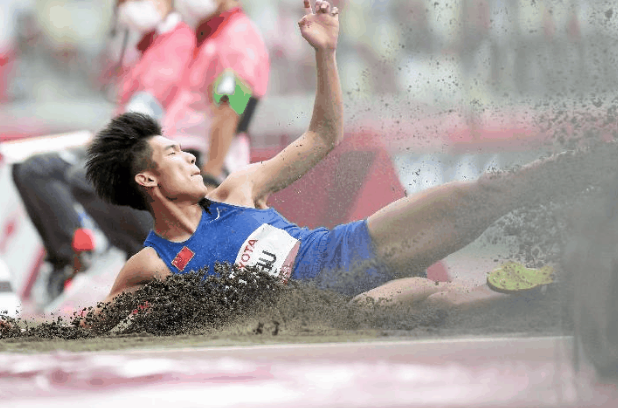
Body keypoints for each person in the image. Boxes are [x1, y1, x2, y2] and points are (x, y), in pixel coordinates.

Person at [85, 0, 618, 321]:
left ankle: (593, 168)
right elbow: (89, 324)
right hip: (327, 312)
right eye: (174, 152)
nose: (188, 156)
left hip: (349, 248)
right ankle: (569, 294)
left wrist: (325, 52)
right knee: (432, 301)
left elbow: (312, 130)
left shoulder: (233, 51)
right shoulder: (151, 265)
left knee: (486, 191)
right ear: (147, 177)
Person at [12, 0, 194, 303]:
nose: (124, 9)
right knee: (31, 170)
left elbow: (146, 110)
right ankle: (71, 258)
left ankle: (150, 257)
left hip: (154, 153)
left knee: (85, 176)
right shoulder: (145, 47)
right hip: (127, 144)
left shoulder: (178, 40)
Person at [163, 0, 270, 187]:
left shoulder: (238, 35)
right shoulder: (212, 32)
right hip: (189, 160)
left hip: (205, 164)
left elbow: (230, 109)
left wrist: (210, 176)